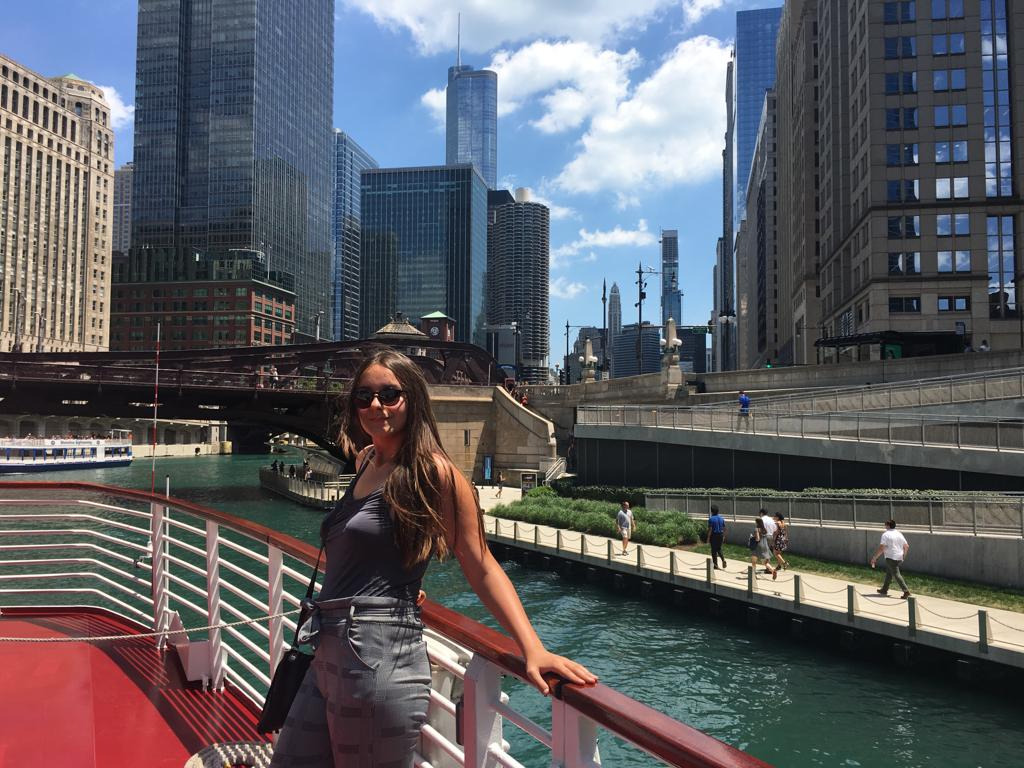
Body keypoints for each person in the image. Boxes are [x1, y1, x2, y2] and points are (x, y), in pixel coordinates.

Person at [270, 349, 596, 768]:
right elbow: (363, 549)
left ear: (413, 399)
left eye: (389, 394)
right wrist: (397, 584)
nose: (375, 405)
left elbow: (480, 564)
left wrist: (532, 647)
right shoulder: (366, 460)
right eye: (364, 396)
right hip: (327, 646)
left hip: (377, 657)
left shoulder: (434, 473)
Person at [870, 519, 911, 599]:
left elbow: (882, 548)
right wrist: (904, 556)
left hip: (891, 557)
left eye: (885, 524)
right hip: (899, 556)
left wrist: (874, 558)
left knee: (896, 574)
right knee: (889, 573)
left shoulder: (886, 534)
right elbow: (906, 546)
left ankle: (906, 591)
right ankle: (884, 589)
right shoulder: (899, 533)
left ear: (888, 526)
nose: (885, 526)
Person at [708, 505, 727, 569]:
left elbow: (710, 529)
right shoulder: (721, 518)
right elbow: (724, 528)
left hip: (714, 535)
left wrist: (708, 538)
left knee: (713, 550)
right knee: (719, 548)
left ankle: (715, 565)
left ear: (712, 511)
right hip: (720, 535)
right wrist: (724, 536)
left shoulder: (711, 519)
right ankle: (723, 559)